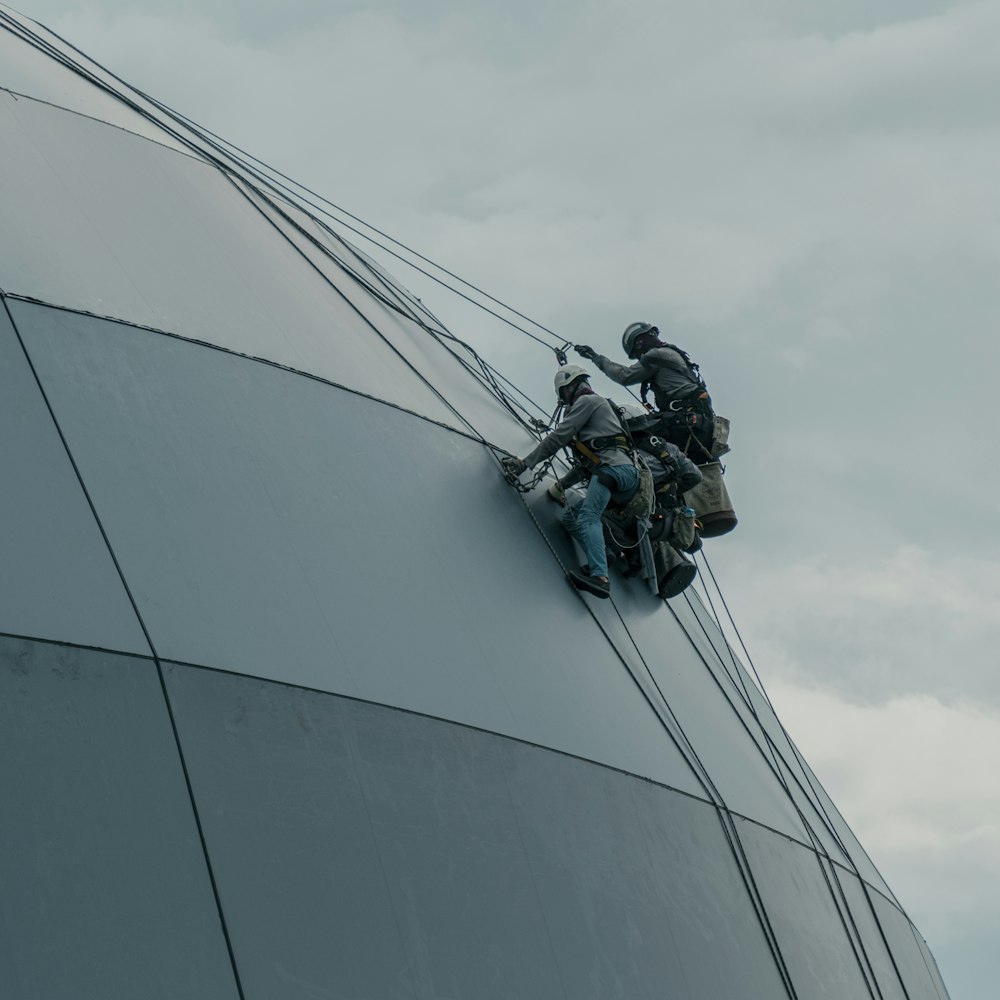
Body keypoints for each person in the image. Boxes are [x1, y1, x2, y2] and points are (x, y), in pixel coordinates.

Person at [502, 365, 639, 599]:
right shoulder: (598, 413)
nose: (564, 399)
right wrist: (561, 486)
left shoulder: (587, 402)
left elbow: (557, 438)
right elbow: (586, 465)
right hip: (623, 475)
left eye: (563, 393)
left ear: (570, 388)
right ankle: (602, 555)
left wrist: (524, 464)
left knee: (588, 517)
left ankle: (599, 578)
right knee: (572, 518)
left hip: (614, 471)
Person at [575, 322, 716, 462]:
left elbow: (624, 376)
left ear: (639, 343)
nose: (638, 358)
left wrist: (596, 358)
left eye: (636, 354)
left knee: (629, 431)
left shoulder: (657, 355)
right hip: (697, 426)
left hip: (684, 425)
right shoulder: (670, 353)